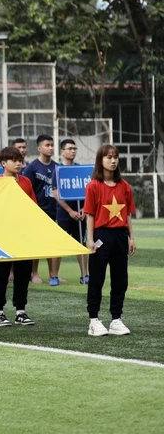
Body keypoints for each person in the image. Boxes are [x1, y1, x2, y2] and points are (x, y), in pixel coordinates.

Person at [83, 144, 136, 337]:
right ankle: (94, 320)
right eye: (108, 157)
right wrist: (90, 239)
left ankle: (116, 319)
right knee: (97, 278)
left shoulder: (125, 187)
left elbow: (128, 214)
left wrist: (131, 237)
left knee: (120, 279)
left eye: (115, 157)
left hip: (120, 236)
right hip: (101, 236)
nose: (113, 161)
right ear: (100, 160)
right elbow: (89, 214)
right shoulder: (93, 186)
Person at [0, 147, 38, 327]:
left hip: (23, 235)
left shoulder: (26, 182)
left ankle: (20, 311)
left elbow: (33, 207)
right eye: (14, 160)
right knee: (1, 274)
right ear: (3, 163)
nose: (19, 163)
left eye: (20, 160)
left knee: (23, 274)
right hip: (3, 236)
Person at [23, 134, 60, 285]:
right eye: (47, 145)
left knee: (53, 244)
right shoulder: (32, 167)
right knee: (37, 244)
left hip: (54, 210)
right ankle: (34, 273)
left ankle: (53, 274)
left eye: (52, 145)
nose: (50, 147)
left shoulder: (57, 167)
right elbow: (27, 189)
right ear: (39, 148)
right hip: (38, 211)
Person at [54, 138, 89, 284]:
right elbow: (55, 193)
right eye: (69, 148)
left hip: (81, 215)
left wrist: (84, 209)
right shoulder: (58, 170)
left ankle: (85, 275)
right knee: (59, 245)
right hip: (63, 214)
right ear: (62, 151)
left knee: (82, 244)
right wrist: (69, 211)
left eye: (75, 148)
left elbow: (89, 192)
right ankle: (54, 276)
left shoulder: (80, 169)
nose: (73, 151)